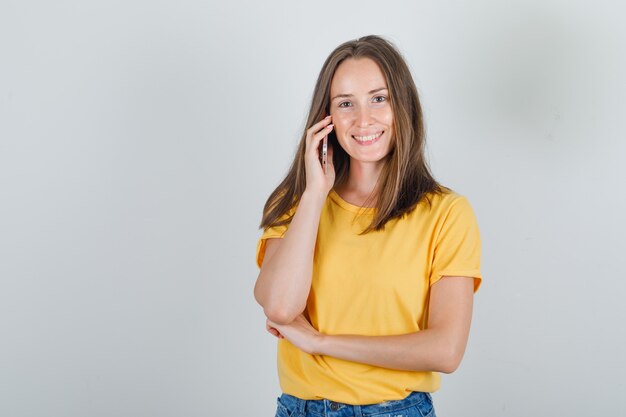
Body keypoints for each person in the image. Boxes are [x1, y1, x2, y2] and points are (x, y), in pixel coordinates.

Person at [253, 35, 482, 417]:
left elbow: (445, 350)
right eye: (346, 104)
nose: (363, 120)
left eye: (379, 98)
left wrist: (321, 342)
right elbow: (279, 306)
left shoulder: (447, 213)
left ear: (403, 105)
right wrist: (314, 195)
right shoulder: (297, 203)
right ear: (326, 119)